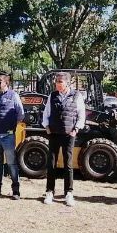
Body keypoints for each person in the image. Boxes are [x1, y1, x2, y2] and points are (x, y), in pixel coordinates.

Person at [42, 72, 86, 207]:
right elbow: (46, 113)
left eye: (60, 82)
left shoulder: (77, 96)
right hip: (54, 134)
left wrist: (76, 130)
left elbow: (81, 115)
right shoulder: (52, 96)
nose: (57, 84)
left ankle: (69, 193)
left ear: (67, 83)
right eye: (56, 82)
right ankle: (49, 192)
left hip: (69, 135)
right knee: (52, 163)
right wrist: (47, 127)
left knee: (68, 164)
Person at [0, 73, 25, 200]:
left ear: (6, 83)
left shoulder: (13, 95)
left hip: (8, 136)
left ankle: (16, 190)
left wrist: (11, 126)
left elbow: (20, 114)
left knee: (11, 163)